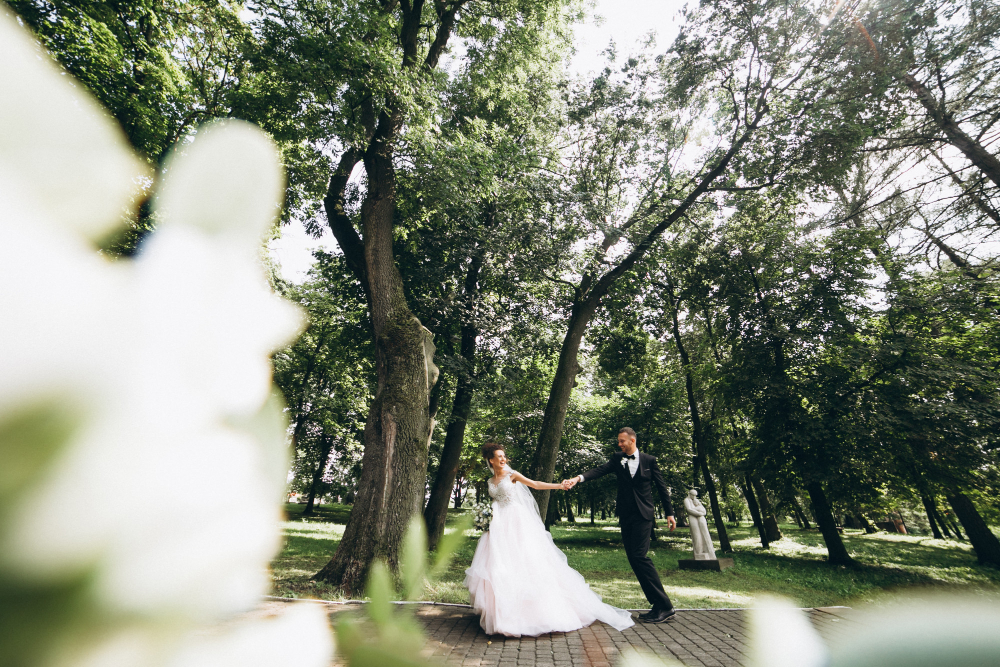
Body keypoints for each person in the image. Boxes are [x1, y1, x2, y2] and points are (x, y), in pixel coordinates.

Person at [464, 442, 635, 637]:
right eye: (499, 457)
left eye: (504, 456)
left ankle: (530, 614)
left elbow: (535, 485)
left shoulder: (512, 475)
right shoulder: (490, 481)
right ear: (490, 460)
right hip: (498, 524)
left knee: (526, 562)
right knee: (498, 564)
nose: (503, 459)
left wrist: (560, 486)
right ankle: (501, 614)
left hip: (516, 522)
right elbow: (496, 501)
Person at [564, 427, 677, 623]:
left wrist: (669, 513)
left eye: (622, 441)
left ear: (632, 440)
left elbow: (661, 487)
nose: (619, 444)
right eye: (618, 441)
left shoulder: (649, 460)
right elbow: (599, 470)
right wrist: (578, 478)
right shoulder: (617, 459)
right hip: (626, 515)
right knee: (634, 559)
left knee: (639, 556)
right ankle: (658, 605)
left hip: (643, 515)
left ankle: (665, 606)